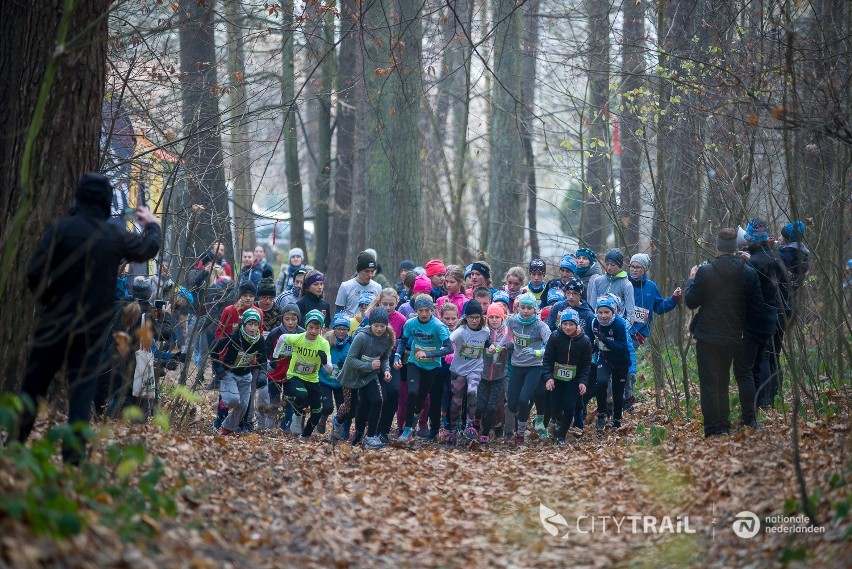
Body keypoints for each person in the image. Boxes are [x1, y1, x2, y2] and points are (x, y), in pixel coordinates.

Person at [16, 173, 161, 464]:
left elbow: (34, 273)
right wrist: (152, 225)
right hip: (92, 327)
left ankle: (14, 446)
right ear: (107, 201)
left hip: (55, 322)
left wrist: (50, 302)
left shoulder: (61, 229)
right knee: (81, 392)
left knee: (34, 385)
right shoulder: (112, 235)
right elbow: (147, 249)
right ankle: (73, 460)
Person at [684, 228, 766, 437]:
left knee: (710, 383)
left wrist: (691, 280)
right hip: (734, 336)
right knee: (723, 381)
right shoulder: (749, 272)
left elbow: (691, 301)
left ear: (718, 246)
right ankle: (724, 427)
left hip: (708, 336)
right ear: (736, 247)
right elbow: (757, 308)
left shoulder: (705, 271)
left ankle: (715, 429)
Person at [741, 218, 789, 408]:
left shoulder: (754, 264)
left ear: (751, 238)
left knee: (759, 361)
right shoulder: (774, 258)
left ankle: (763, 401)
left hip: (758, 318)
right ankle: (771, 398)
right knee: (771, 357)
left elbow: (749, 292)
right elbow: (785, 280)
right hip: (775, 314)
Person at [333, 307, 395, 448]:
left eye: (382, 326)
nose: (379, 329)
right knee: (351, 408)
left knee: (377, 400)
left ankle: (370, 436)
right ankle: (338, 420)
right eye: (376, 326)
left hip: (369, 376)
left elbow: (384, 358)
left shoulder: (387, 338)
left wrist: (386, 370)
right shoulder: (361, 337)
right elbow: (350, 360)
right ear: (370, 324)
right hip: (351, 376)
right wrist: (369, 364)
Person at [394, 294, 453, 442]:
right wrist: (397, 356)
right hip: (414, 363)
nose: (424, 313)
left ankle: (412, 428)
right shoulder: (410, 324)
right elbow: (403, 341)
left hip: (432, 366)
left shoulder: (439, 326)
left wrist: (428, 354)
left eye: (427, 310)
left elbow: (449, 349)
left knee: (420, 400)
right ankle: (407, 429)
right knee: (412, 393)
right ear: (416, 311)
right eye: (421, 310)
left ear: (432, 310)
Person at [625, 253, 681, 408]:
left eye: (638, 267)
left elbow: (660, 307)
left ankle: (626, 398)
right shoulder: (623, 283)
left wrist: (674, 299)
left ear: (645, 269)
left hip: (637, 334)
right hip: (620, 331)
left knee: (627, 365)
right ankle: (615, 398)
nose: (634, 270)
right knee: (618, 365)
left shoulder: (651, 287)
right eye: (632, 267)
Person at [272, 309, 333, 440]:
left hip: (312, 379)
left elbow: (329, 369)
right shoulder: (298, 338)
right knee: (301, 395)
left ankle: (304, 437)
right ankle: (297, 415)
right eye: (311, 327)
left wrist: (324, 361)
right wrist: (274, 357)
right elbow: (282, 338)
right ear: (306, 326)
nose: (313, 331)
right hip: (295, 375)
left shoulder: (323, 343)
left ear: (321, 329)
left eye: (317, 328)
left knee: (317, 412)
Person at [210, 308, 268, 435]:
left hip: (246, 375)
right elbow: (214, 347)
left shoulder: (259, 340)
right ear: (244, 324)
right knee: (233, 400)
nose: (253, 328)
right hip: (229, 373)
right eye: (250, 324)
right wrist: (217, 367)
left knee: (243, 406)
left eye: (255, 324)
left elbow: (263, 359)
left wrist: (263, 374)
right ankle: (224, 403)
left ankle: (227, 427)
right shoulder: (234, 337)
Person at [505, 292, 551, 444]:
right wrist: (501, 346)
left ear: (535, 310)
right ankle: (523, 417)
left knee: (524, 399)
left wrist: (537, 352)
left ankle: (520, 432)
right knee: (511, 403)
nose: (525, 311)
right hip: (517, 365)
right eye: (523, 307)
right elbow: (507, 337)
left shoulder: (540, 326)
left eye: (529, 308)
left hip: (534, 367)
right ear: (518, 308)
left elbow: (551, 347)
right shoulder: (512, 321)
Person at [543, 309, 593, 445]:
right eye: (565, 324)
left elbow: (586, 365)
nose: (568, 327)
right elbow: (547, 359)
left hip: (573, 378)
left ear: (577, 325)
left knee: (570, 405)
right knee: (555, 407)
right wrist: (548, 377)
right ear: (561, 324)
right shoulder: (555, 337)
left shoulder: (585, 341)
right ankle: (558, 421)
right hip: (556, 377)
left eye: (571, 324)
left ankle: (562, 435)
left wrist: (583, 382)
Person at [447, 301, 491, 443]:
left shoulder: (485, 331)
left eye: (477, 317)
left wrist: (490, 347)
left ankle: (469, 426)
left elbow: (486, 342)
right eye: (471, 317)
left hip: (475, 369)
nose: (474, 320)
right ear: (466, 317)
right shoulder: (461, 331)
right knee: (456, 403)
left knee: (473, 392)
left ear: (481, 317)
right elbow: (449, 341)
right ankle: (453, 430)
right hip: (458, 370)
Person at [590, 295, 632, 431]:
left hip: (620, 362)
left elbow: (622, 348)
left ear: (613, 312)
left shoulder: (619, 324)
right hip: (604, 359)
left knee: (617, 392)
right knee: (600, 383)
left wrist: (606, 340)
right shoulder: (594, 323)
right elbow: (595, 343)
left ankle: (617, 420)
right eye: (600, 312)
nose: (603, 316)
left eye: (606, 312)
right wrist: (592, 348)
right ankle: (602, 415)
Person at [479, 304, 513, 444]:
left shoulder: (506, 331)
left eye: (497, 317)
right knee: (481, 405)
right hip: (482, 374)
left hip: (500, 375)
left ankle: (486, 433)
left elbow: (512, 344)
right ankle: (477, 426)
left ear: (502, 318)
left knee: (492, 406)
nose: (494, 320)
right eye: (491, 317)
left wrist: (504, 347)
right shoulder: (484, 331)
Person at [317, 313, 353, 435]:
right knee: (328, 407)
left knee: (343, 409)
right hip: (325, 380)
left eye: (345, 329)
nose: (342, 332)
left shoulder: (350, 344)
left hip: (340, 383)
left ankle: (338, 428)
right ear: (334, 329)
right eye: (339, 329)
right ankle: (322, 420)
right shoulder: (326, 341)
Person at [586, 248, 635, 327]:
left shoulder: (626, 284)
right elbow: (592, 308)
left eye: (612, 265)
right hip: (599, 326)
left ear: (619, 265)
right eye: (607, 264)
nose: (609, 267)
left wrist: (624, 329)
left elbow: (631, 313)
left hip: (617, 326)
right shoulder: (598, 281)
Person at [335, 251, 382, 315]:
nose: (370, 275)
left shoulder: (377, 287)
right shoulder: (345, 286)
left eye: (372, 271)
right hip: (350, 324)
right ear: (359, 270)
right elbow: (338, 312)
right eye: (367, 271)